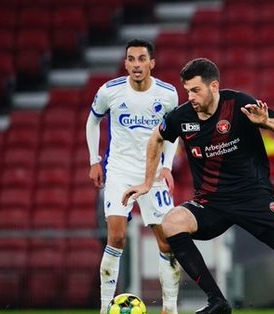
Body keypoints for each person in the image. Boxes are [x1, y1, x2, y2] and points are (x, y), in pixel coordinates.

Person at [122, 58, 274, 314]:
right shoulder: (182, 116)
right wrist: (147, 180)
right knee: (172, 223)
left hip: (253, 198)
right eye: (187, 91)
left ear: (214, 86)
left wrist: (265, 121)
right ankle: (217, 302)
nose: (191, 97)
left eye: (196, 90)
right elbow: (156, 138)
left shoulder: (239, 103)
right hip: (211, 203)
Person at [85, 39, 181, 314]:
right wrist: (94, 161)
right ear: (125, 63)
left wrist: (167, 166)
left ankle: (169, 308)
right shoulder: (110, 91)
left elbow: (172, 132)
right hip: (119, 171)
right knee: (116, 238)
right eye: (131, 59)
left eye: (142, 59)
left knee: (167, 241)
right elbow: (93, 121)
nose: (136, 65)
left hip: (153, 175)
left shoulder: (167, 94)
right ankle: (105, 308)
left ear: (152, 63)